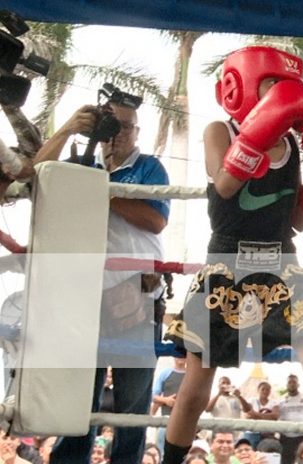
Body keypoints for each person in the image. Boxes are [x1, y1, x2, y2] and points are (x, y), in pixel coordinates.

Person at [161, 45, 303, 464]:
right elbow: (223, 186)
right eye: (272, 85)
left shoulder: (293, 143)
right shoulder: (220, 130)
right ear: (243, 87)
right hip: (227, 265)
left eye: (286, 88)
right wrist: (259, 131)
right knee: (195, 389)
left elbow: (296, 221)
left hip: (281, 265)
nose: (280, 95)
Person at [34, 95, 170, 464]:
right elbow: (36, 178)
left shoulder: (149, 166)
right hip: (82, 299)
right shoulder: (82, 162)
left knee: (133, 404)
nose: (117, 133)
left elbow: (156, 219)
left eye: (126, 126)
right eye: (111, 125)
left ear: (137, 131)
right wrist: (67, 129)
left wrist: (99, 189)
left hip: (137, 300)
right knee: (78, 399)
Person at [151, 357, 188, 450]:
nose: (181, 357)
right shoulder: (166, 373)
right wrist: (166, 400)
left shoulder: (191, 375)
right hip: (166, 421)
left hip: (186, 423)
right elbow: (153, 396)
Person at [278, 374, 303, 464]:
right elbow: (277, 418)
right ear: (286, 385)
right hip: (286, 438)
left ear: (298, 385)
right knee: (286, 461)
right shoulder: (281, 401)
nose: (292, 384)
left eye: (294, 382)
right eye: (290, 382)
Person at [239, 381, 280, 448]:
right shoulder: (252, 400)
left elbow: (275, 416)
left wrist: (255, 414)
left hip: (267, 434)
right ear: (258, 390)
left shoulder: (274, 402)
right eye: (263, 389)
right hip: (252, 433)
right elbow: (248, 414)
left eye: (267, 390)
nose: (265, 391)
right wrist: (268, 417)